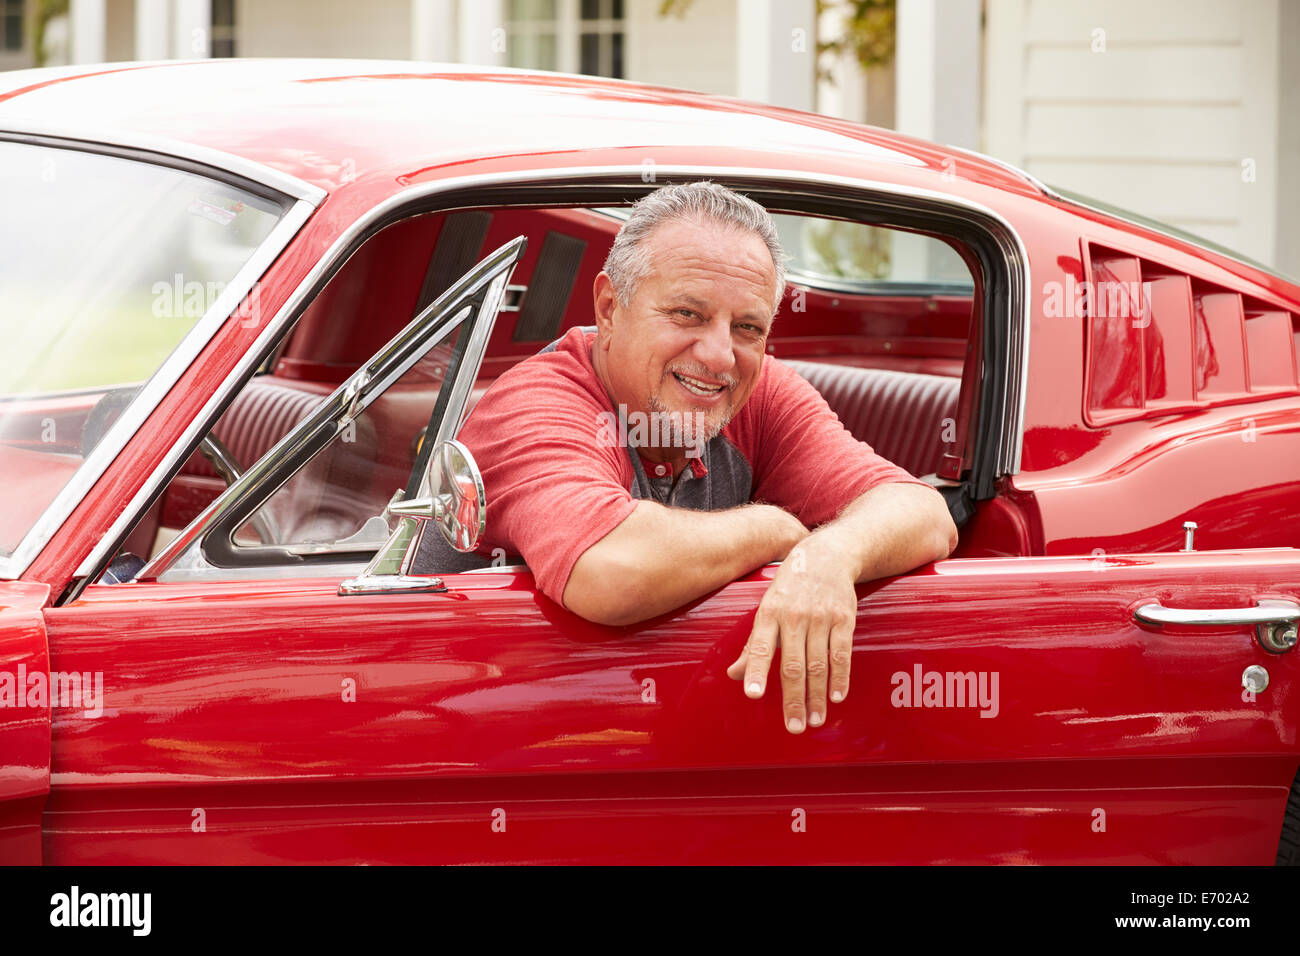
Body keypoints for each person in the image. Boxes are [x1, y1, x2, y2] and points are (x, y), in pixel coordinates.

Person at [427, 181, 958, 734]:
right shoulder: (539, 399)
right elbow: (609, 571)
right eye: (687, 314)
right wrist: (777, 529)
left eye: (748, 327)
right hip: (458, 734)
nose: (719, 356)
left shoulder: (762, 392)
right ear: (610, 308)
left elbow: (924, 516)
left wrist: (830, 554)